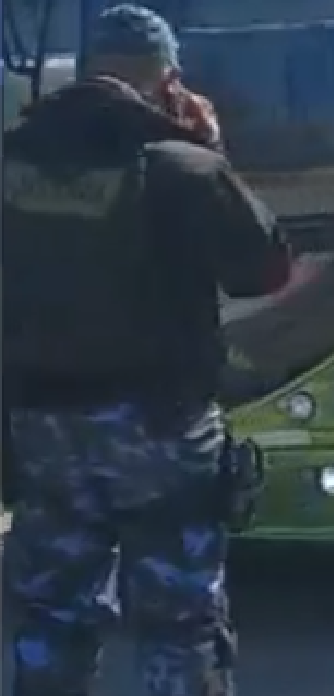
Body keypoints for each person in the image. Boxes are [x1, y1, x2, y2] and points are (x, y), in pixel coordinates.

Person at [2, 4, 291, 695]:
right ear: (168, 80)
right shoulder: (182, 167)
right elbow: (264, 270)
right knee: (179, 623)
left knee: (55, 613)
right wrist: (212, 155)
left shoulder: (10, 160)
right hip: (161, 425)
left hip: (43, 427)